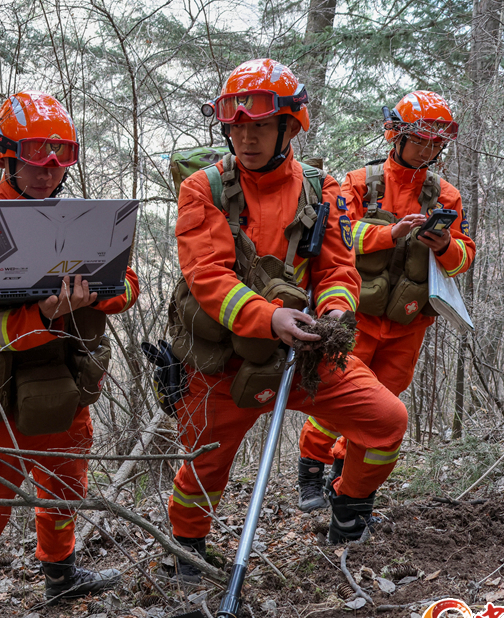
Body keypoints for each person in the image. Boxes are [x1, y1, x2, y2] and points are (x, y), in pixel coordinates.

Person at [165, 59, 409, 581]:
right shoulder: (204, 189)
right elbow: (207, 275)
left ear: (289, 127)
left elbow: (339, 268)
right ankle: (186, 551)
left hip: (305, 350)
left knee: (386, 421)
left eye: (259, 126)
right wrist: (269, 318)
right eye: (237, 128)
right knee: (204, 464)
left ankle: (349, 509)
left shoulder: (325, 190)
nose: (246, 139)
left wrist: (337, 312)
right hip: (224, 360)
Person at [0, 91, 140, 618]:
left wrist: (97, 293)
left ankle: (61, 576)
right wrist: (43, 314)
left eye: (59, 157)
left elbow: (128, 285)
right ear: (5, 155)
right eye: (34, 156)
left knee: (64, 488)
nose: (47, 170)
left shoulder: (83, 219)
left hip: (63, 388)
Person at [296, 90, 476, 512]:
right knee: (336, 397)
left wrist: (444, 244)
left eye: (436, 142)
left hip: (408, 323)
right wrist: (389, 234)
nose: (428, 150)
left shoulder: (447, 196)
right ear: (396, 134)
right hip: (357, 316)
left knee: (382, 405)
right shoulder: (359, 183)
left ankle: (346, 482)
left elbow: (463, 257)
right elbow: (338, 238)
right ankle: (311, 469)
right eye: (421, 140)